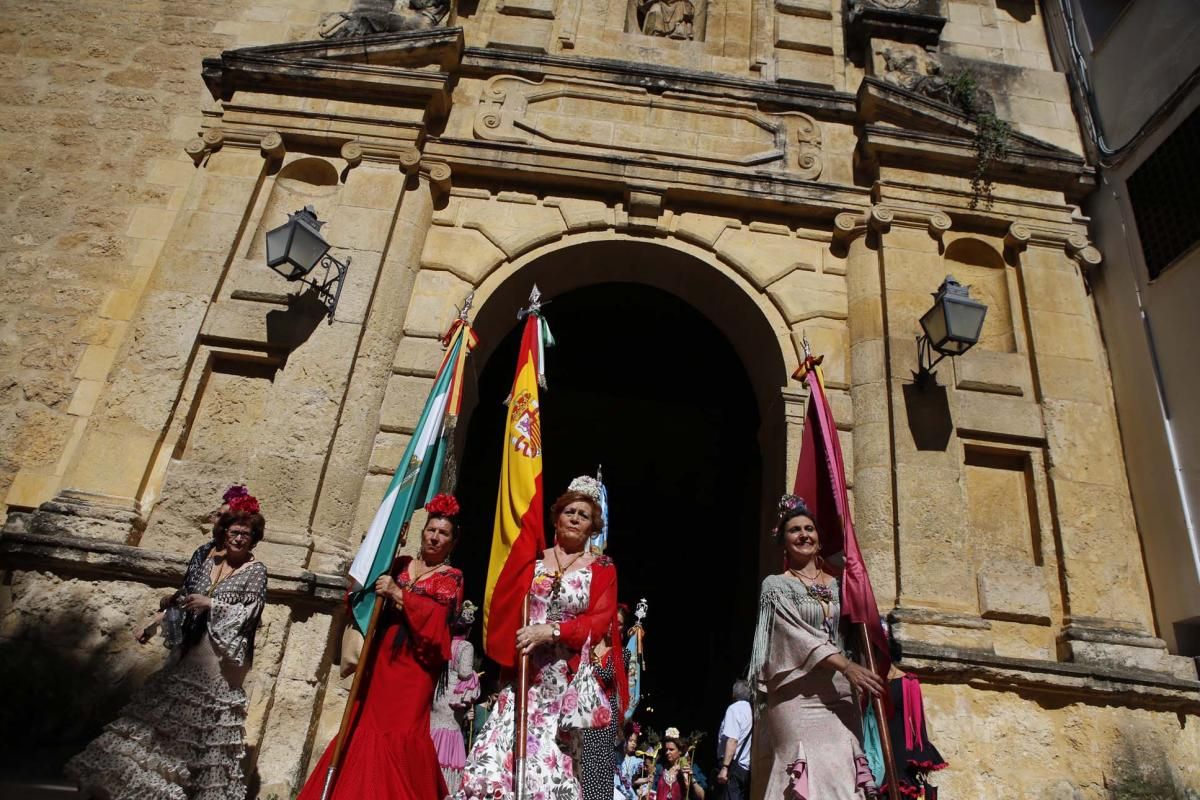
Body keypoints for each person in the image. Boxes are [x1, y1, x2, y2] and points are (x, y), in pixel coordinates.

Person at [65, 494, 269, 800]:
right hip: (187, 653)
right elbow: (185, 600)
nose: (239, 538)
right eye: (234, 532)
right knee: (153, 722)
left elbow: (249, 615)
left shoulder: (256, 572)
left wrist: (212, 603)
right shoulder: (207, 561)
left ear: (254, 539)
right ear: (224, 533)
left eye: (246, 534)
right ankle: (123, 786)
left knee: (193, 736)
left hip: (217, 664)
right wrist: (155, 621)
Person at [458, 485, 627, 800]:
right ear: (556, 518)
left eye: (584, 515)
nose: (575, 519)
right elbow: (506, 602)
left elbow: (599, 621)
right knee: (495, 768)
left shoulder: (603, 569)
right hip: (523, 679)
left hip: (563, 687)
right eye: (569, 512)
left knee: (550, 776)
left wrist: (553, 631)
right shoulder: (533, 558)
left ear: (594, 526)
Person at [298, 493, 465, 800]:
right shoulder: (399, 564)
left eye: (443, 533)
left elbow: (438, 618)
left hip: (415, 668)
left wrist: (399, 595)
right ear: (422, 531)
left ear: (451, 543)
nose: (435, 537)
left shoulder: (451, 578)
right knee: (365, 725)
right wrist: (390, 547)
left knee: (402, 732)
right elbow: (364, 585)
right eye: (431, 529)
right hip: (382, 661)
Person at [748, 495, 884, 800]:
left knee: (844, 772)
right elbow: (794, 634)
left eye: (809, 528)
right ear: (784, 542)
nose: (803, 534)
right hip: (796, 694)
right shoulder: (775, 586)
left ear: (819, 540)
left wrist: (863, 595)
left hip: (839, 693)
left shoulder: (840, 586)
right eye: (794, 530)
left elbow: (858, 628)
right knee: (804, 770)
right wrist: (846, 665)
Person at [431, 599, 482, 794]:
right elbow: (465, 673)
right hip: (451, 700)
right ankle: (445, 787)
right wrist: (475, 678)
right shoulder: (465, 647)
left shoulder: (445, 642)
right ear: (468, 629)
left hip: (438, 694)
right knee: (449, 734)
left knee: (434, 729)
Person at [582, 603, 628, 800]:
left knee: (599, 767)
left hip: (604, 718)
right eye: (611, 621)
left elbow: (607, 675)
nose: (614, 627)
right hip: (583, 711)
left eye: (619, 624)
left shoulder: (622, 654)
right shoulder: (588, 646)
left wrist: (588, 664)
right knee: (580, 761)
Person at [715, 680, 753, 800]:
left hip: (733, 767)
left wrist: (725, 767)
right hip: (745, 768)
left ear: (733, 694)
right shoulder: (751, 710)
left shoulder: (734, 709)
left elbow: (733, 740)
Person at [652, 729, 706, 800]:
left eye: (671, 749)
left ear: (680, 751)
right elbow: (652, 792)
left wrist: (691, 778)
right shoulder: (660, 768)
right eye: (666, 750)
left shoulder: (689, 767)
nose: (667, 752)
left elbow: (701, 796)